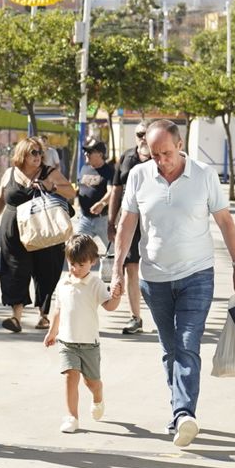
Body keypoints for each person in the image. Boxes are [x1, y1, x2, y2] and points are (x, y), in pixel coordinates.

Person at [110, 119, 235, 448]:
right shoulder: (139, 176)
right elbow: (127, 225)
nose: (161, 161)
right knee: (169, 348)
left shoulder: (203, 175)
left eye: (167, 153)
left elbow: (225, 221)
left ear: (180, 144)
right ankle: (179, 412)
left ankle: (185, 413)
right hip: (154, 277)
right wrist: (116, 268)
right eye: (155, 154)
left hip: (197, 274)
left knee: (187, 343)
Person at [0, 136, 77, 333]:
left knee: (46, 269)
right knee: (15, 270)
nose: (38, 156)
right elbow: (1, 198)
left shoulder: (49, 172)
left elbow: (71, 193)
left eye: (40, 152)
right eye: (33, 152)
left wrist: (52, 187)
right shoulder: (10, 173)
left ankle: (43, 315)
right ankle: (16, 317)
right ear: (22, 154)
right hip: (14, 230)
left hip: (44, 228)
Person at [45, 235, 122, 433]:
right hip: (67, 342)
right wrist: (52, 332)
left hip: (89, 344)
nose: (76, 268)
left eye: (81, 264)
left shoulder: (95, 284)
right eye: (72, 264)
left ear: (92, 262)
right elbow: (58, 311)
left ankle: (98, 396)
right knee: (70, 377)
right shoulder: (63, 284)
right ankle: (72, 417)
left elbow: (109, 306)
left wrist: (116, 296)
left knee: (92, 383)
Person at [106, 122, 153, 335]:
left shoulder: (162, 156)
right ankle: (136, 317)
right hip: (130, 219)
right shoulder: (126, 157)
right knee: (131, 267)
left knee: (158, 267)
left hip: (155, 220)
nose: (143, 137)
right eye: (139, 134)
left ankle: (168, 315)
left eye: (146, 134)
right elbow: (116, 190)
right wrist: (111, 221)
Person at [73, 139, 114, 256]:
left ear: (100, 154)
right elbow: (80, 187)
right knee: (77, 248)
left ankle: (111, 273)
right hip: (84, 219)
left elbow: (112, 192)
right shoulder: (84, 168)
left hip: (103, 220)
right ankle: (80, 273)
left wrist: (102, 203)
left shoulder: (109, 171)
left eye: (90, 152)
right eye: (85, 151)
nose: (86, 154)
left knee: (114, 252)